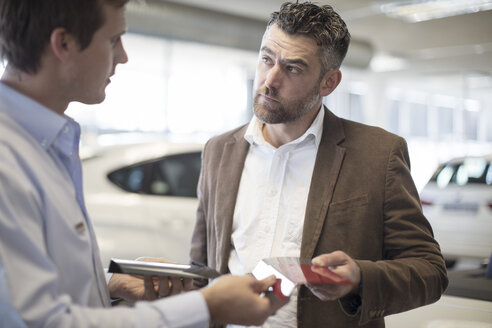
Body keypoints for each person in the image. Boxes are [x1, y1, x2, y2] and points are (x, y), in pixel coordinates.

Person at [0, 0, 286, 327]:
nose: (123, 56)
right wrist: (207, 307)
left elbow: (36, 282)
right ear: (63, 44)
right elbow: (37, 322)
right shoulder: (8, 161)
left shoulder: (47, 144)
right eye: (113, 40)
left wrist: (109, 281)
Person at [190, 2, 448, 327]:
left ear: (329, 83)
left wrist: (359, 279)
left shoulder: (378, 155)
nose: (270, 80)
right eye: (266, 58)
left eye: (292, 68)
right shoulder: (219, 151)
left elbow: (430, 270)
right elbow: (201, 268)